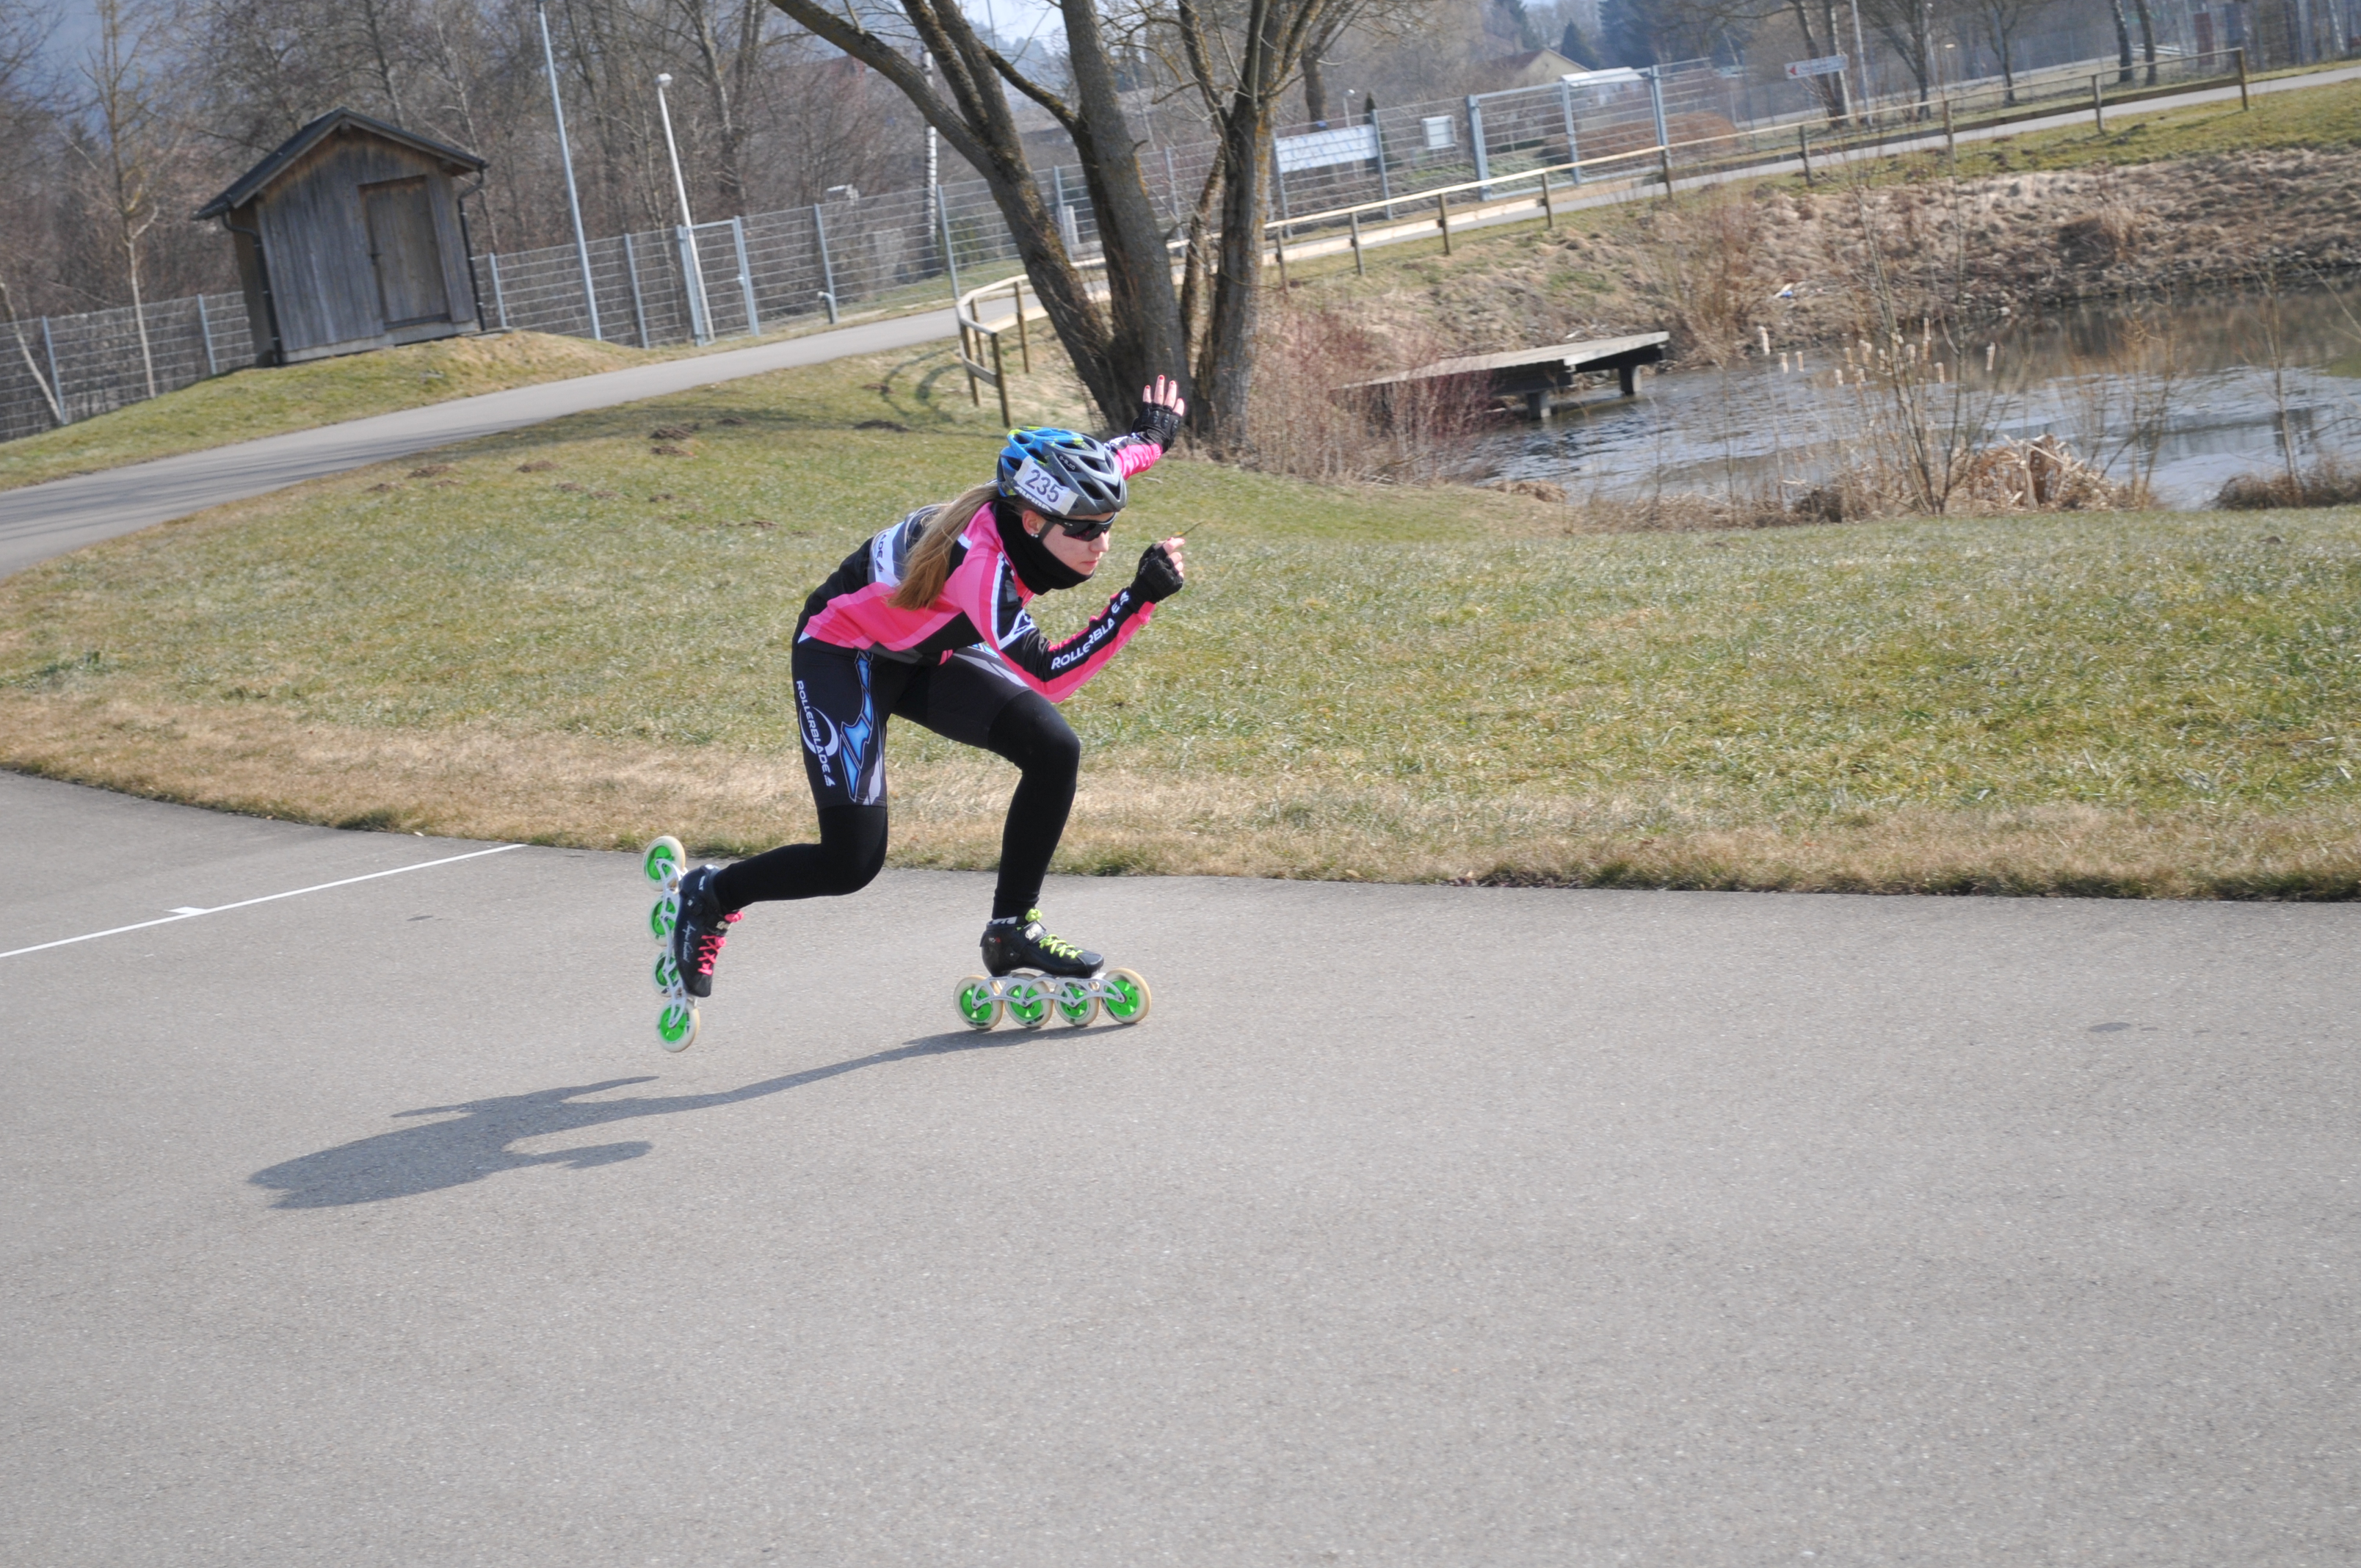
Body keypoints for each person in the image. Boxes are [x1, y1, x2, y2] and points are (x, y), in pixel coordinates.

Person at [666, 377, 1191, 1001]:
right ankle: (712, 894)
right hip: (845, 654)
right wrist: (1135, 601)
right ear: (1031, 520)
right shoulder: (981, 564)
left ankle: (1012, 928)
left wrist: (1154, 435)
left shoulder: (1049, 496)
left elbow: (1115, 459)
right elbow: (1049, 674)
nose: (1100, 544)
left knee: (1054, 750)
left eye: (1107, 526)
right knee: (850, 862)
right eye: (1082, 531)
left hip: (927, 649)